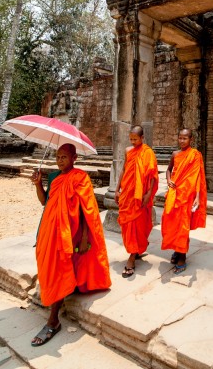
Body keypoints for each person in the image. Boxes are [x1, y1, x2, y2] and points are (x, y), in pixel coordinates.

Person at [30, 143, 111, 346]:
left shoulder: (80, 178)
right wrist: (38, 184)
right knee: (50, 264)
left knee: (60, 267)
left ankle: (53, 320)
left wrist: (84, 237)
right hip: (51, 230)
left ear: (74, 158)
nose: (60, 160)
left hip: (72, 231)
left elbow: (86, 210)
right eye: (57, 157)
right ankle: (64, 292)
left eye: (64, 157)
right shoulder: (53, 177)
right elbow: (44, 202)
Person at [161, 128, 207, 274]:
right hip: (174, 194)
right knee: (171, 223)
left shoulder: (195, 155)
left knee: (183, 226)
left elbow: (198, 177)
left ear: (191, 140)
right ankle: (177, 250)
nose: (181, 141)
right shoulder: (175, 154)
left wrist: (198, 197)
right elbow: (169, 169)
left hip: (187, 197)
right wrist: (169, 180)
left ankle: (182, 257)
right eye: (180, 138)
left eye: (185, 138)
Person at [115, 125, 158, 278]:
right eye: (131, 139)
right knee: (127, 223)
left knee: (137, 224)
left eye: (135, 139)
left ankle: (132, 257)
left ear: (142, 138)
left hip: (140, 195)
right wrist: (117, 188)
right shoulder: (128, 151)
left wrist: (148, 194)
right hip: (128, 193)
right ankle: (136, 248)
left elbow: (152, 175)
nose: (133, 142)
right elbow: (124, 170)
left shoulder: (148, 153)